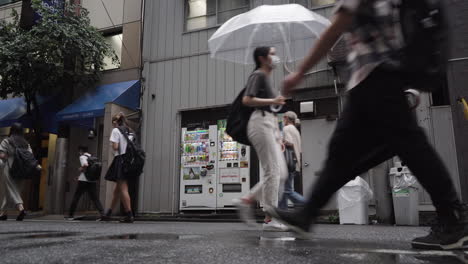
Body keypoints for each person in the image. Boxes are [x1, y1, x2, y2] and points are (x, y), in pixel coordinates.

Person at [267, 0, 467, 250]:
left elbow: (337, 26)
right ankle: (307, 213)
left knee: (410, 146)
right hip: (370, 76)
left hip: (377, 74)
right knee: (343, 152)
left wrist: (299, 72)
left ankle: (453, 219)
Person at [233, 46, 288, 231]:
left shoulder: (268, 80)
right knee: (272, 171)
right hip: (259, 124)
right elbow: (247, 100)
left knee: (281, 173)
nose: (275, 57)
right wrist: (273, 101)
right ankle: (270, 218)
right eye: (272, 54)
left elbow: (272, 111)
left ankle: (247, 199)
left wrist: (279, 136)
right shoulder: (258, 75)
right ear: (262, 58)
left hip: (270, 126)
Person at [0, 123, 40, 221]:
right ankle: (3, 213)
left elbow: (2, 155)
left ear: (11, 130)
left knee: (11, 189)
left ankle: (20, 208)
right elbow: (30, 156)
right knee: (11, 190)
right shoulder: (26, 143)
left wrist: (8, 156)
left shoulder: (7, 141)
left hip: (9, 167)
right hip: (22, 170)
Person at [101, 113, 135, 223]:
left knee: (123, 188)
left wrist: (113, 145)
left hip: (120, 159)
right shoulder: (130, 130)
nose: (113, 124)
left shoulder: (116, 130)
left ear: (115, 122)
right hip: (128, 161)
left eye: (113, 122)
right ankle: (108, 213)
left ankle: (129, 215)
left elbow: (116, 147)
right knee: (117, 189)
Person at [65, 146, 104, 220]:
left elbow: (85, 165)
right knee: (95, 198)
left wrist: (80, 169)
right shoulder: (92, 157)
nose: (78, 153)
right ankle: (103, 214)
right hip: (92, 180)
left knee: (76, 197)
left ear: (81, 151)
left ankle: (70, 215)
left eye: (79, 152)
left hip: (83, 181)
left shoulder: (82, 157)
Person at [278, 111, 305, 209]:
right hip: (293, 162)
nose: (283, 120)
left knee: (287, 190)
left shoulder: (286, 128)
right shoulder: (295, 129)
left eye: (283, 118)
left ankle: (310, 204)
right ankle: (283, 214)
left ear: (286, 118)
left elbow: (289, 143)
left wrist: (279, 141)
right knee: (283, 190)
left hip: (287, 163)